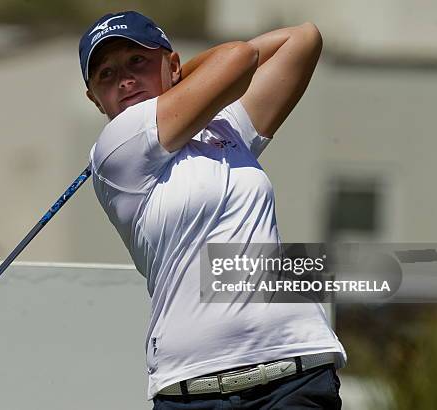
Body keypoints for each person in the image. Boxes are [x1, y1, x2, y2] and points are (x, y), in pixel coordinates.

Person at [79, 10, 346, 409]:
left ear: (171, 63)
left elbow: (303, 40)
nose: (125, 79)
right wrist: (185, 79)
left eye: (138, 61)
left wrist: (184, 76)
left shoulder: (225, 127)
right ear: (95, 99)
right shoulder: (115, 148)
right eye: (106, 74)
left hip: (295, 371)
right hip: (192, 387)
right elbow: (238, 58)